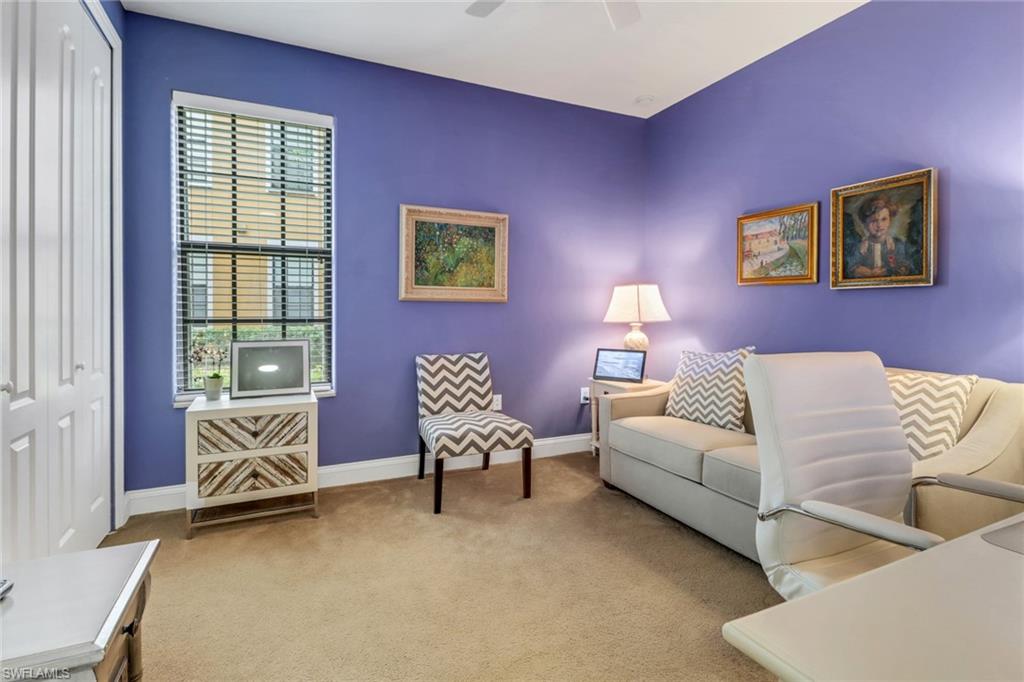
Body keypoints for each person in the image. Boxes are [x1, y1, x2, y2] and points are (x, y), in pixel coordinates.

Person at [846, 193, 916, 278]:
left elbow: (907, 265)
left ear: (890, 220)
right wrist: (868, 273)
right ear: (864, 223)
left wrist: (901, 269)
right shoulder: (860, 247)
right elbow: (852, 269)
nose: (879, 225)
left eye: (884, 219)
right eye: (874, 220)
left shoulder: (898, 244)